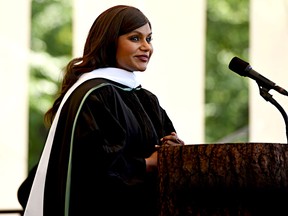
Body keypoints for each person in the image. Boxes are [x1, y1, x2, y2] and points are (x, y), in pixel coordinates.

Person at [20, 4, 184, 216]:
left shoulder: (145, 98)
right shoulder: (93, 95)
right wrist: (148, 164)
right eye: (135, 38)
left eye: (149, 39)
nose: (146, 47)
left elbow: (160, 146)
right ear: (109, 41)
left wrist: (173, 150)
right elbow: (92, 168)